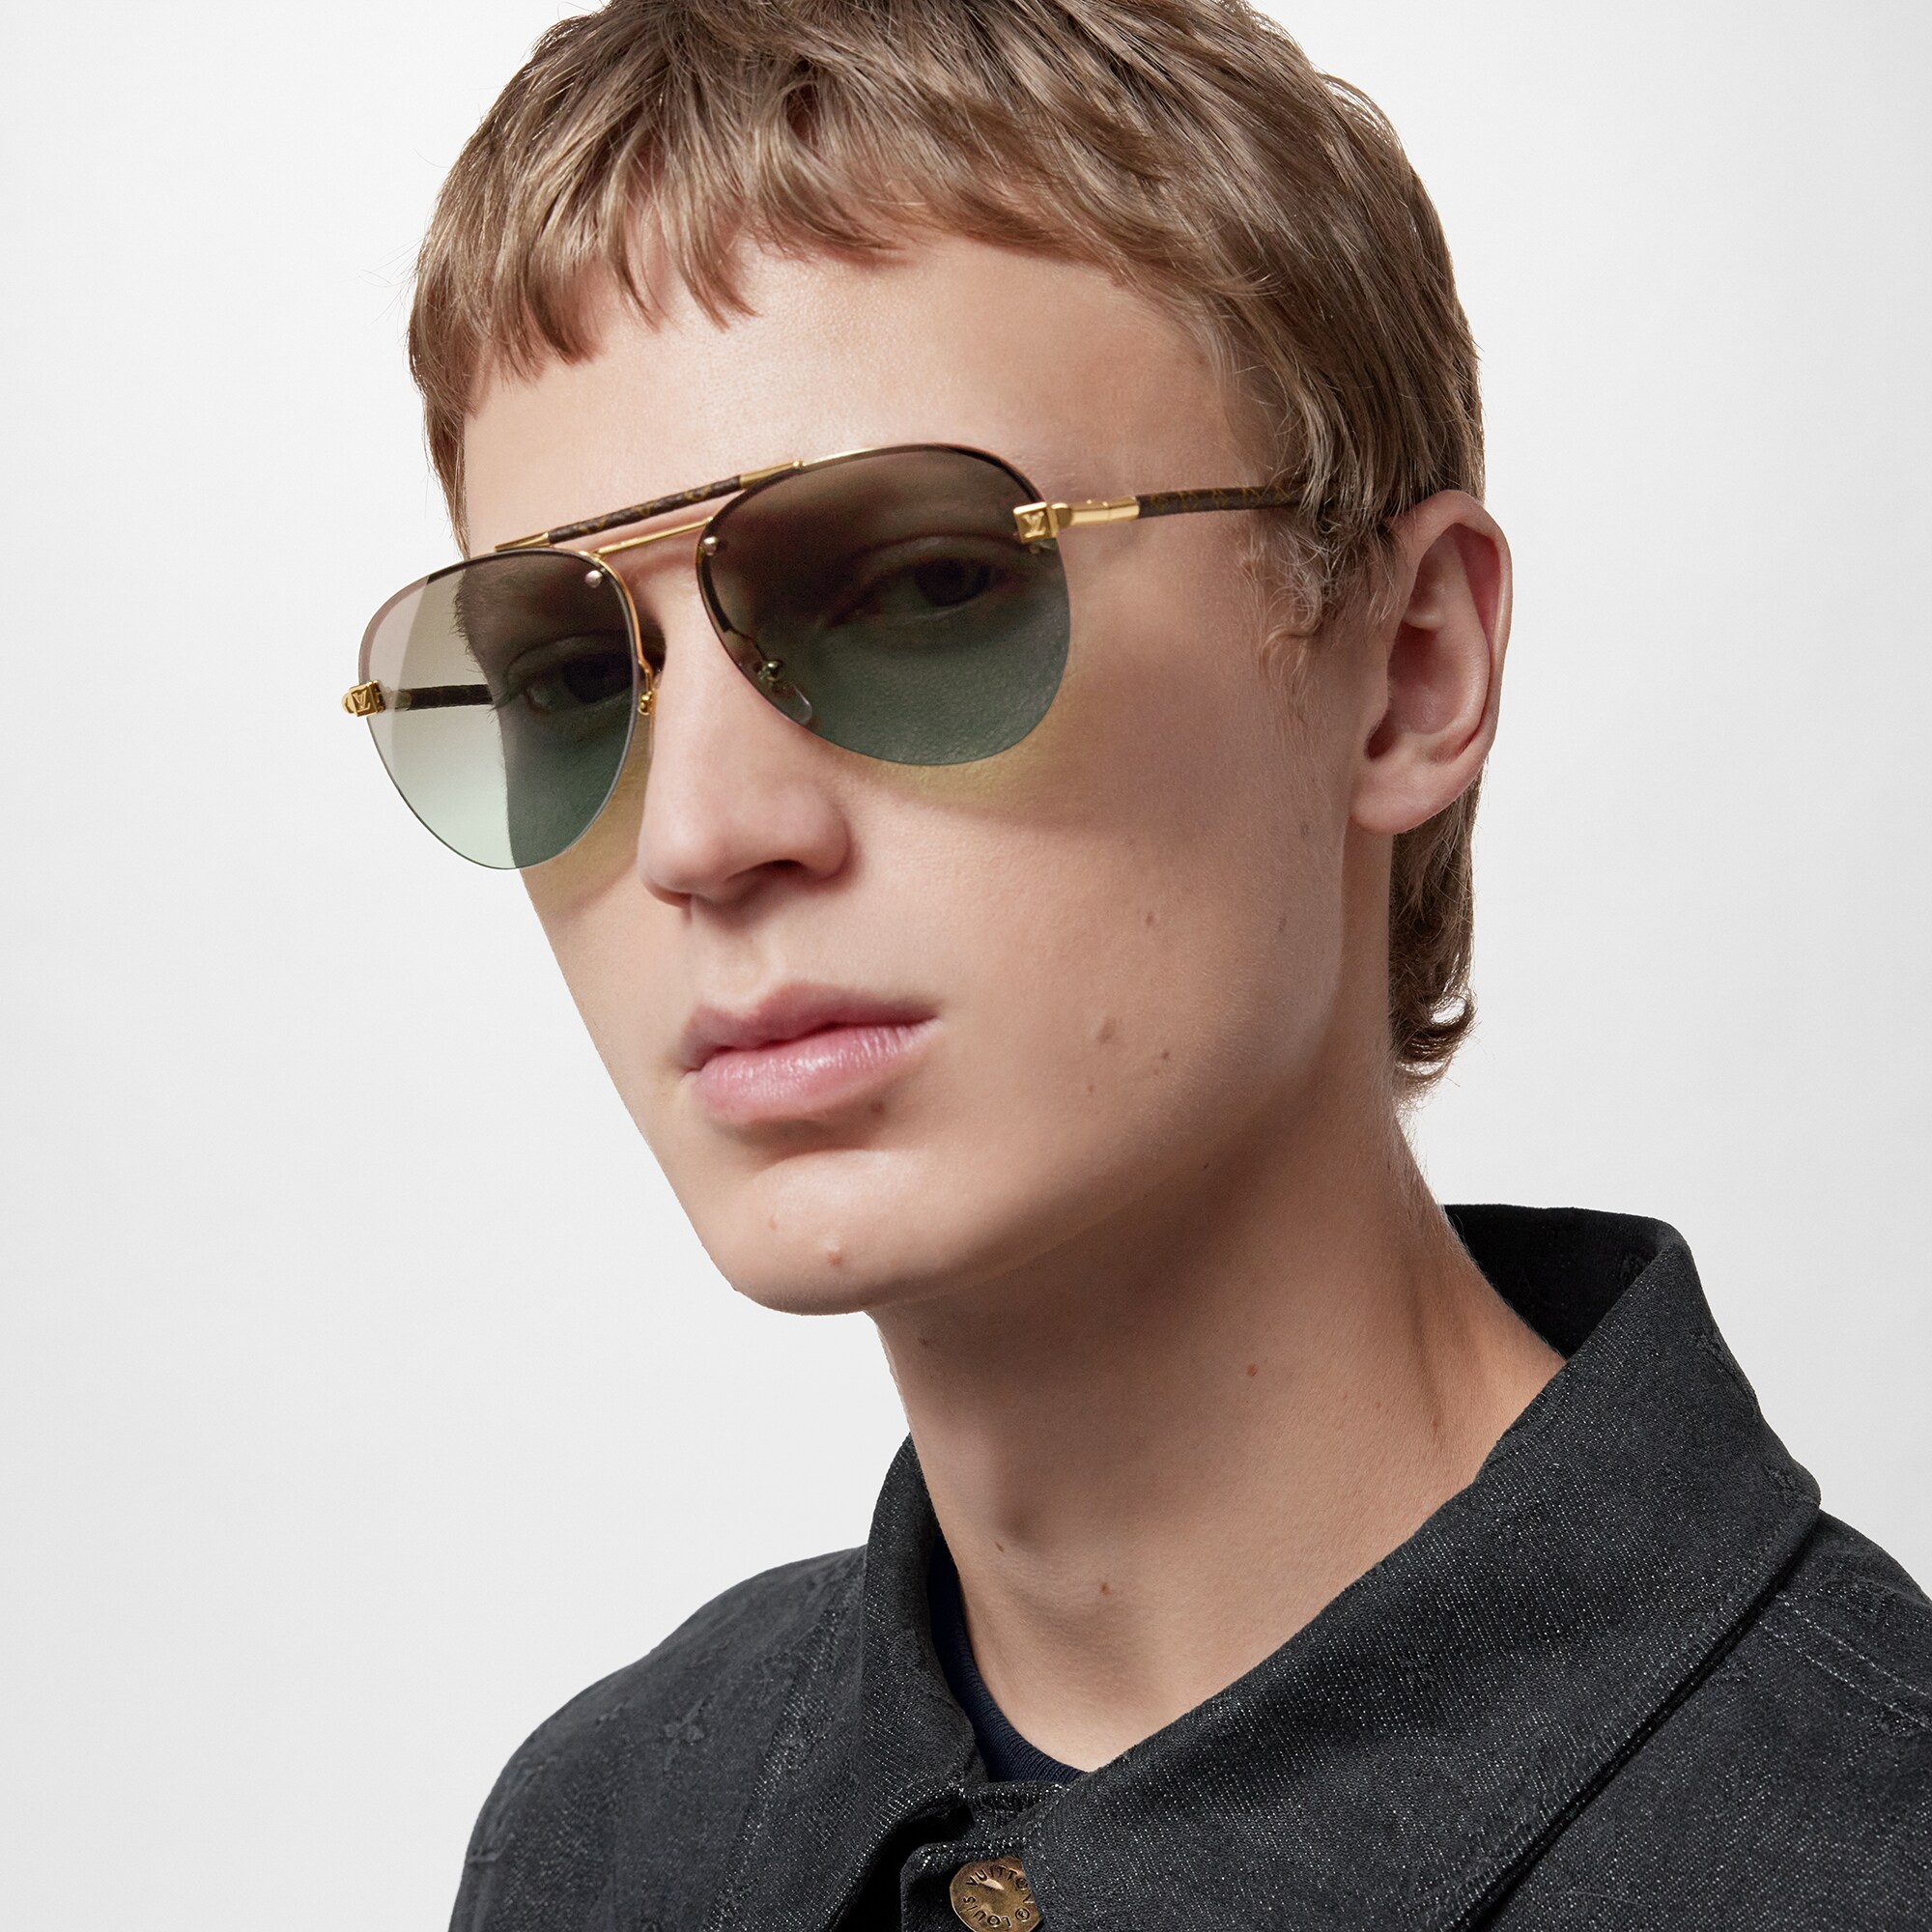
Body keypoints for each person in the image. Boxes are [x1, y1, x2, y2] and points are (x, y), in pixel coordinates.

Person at [345, 3, 1931, 1926]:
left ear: (1408, 664)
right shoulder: (606, 1845)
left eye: (927, 586)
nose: (699, 834)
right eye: (561, 675)